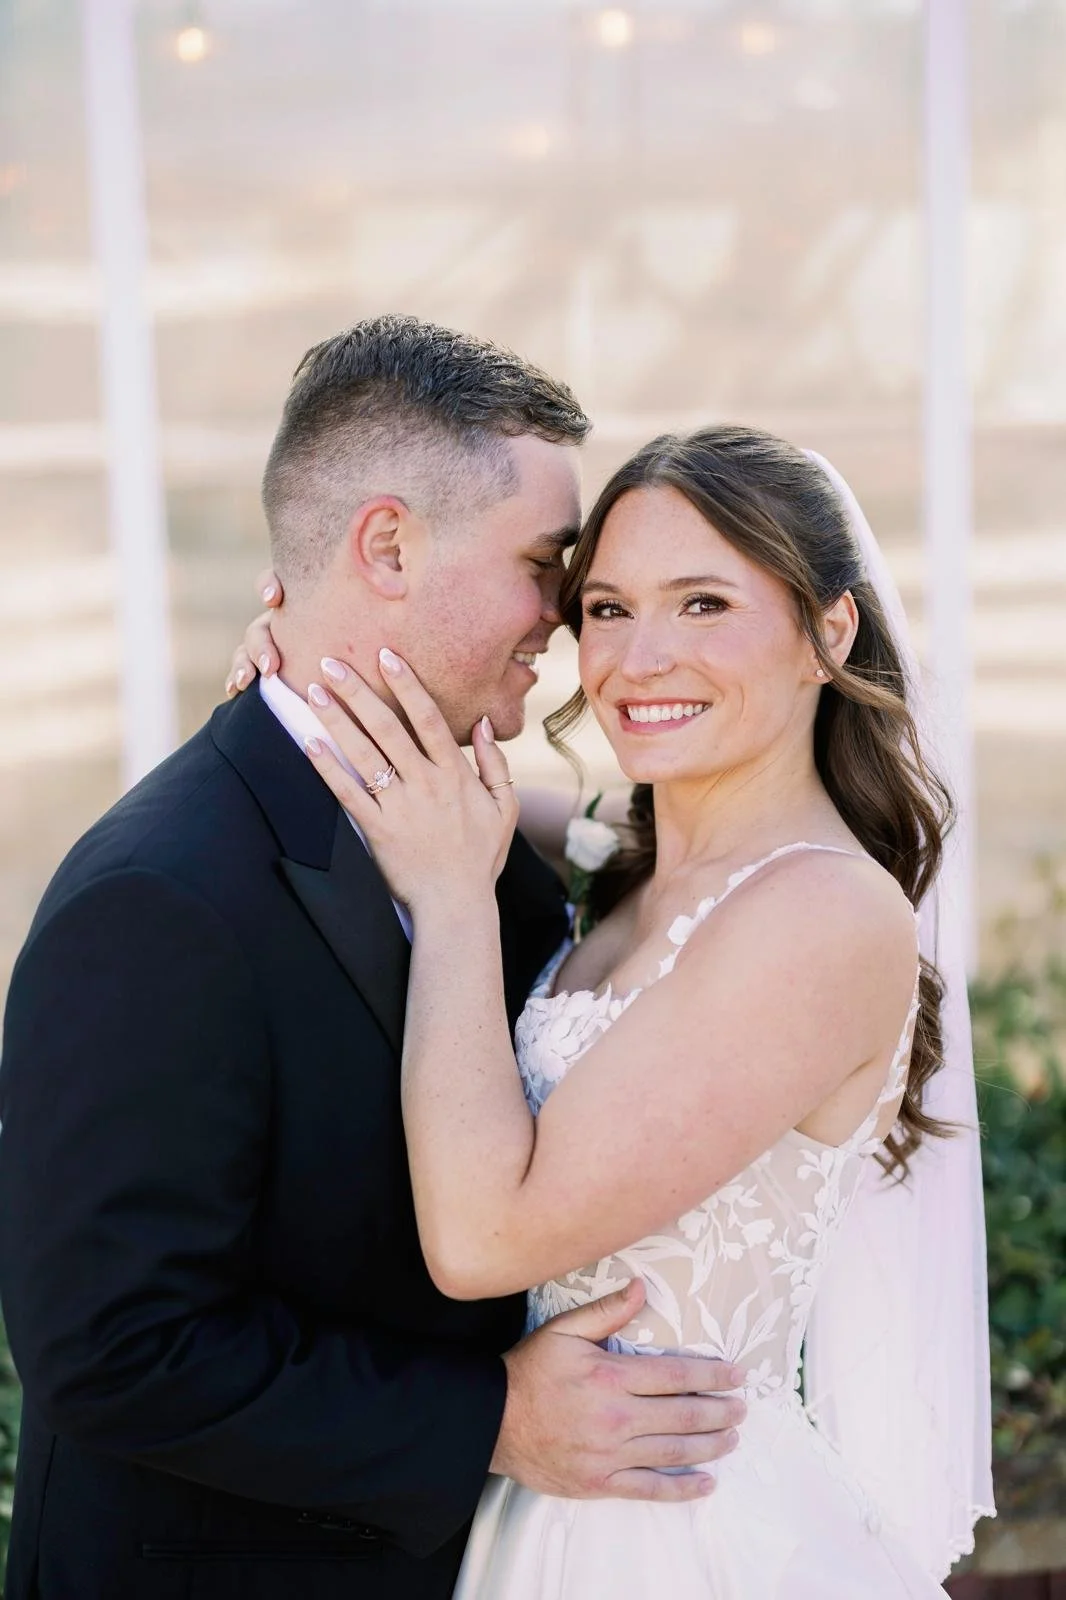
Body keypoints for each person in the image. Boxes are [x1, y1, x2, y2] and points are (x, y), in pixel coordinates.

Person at [0, 318, 745, 1600]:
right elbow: (114, 1349)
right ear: (387, 546)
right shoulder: (158, 898)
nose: (564, 618)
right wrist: (494, 1418)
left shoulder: (471, 825)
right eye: (544, 565)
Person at [236, 423, 994, 1597]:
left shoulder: (824, 915)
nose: (640, 660)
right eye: (605, 608)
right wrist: (308, 680)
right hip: (547, 1501)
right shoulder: (632, 865)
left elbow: (485, 1240)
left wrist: (453, 901)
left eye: (703, 604)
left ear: (829, 631)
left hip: (682, 1526)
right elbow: (454, 789)